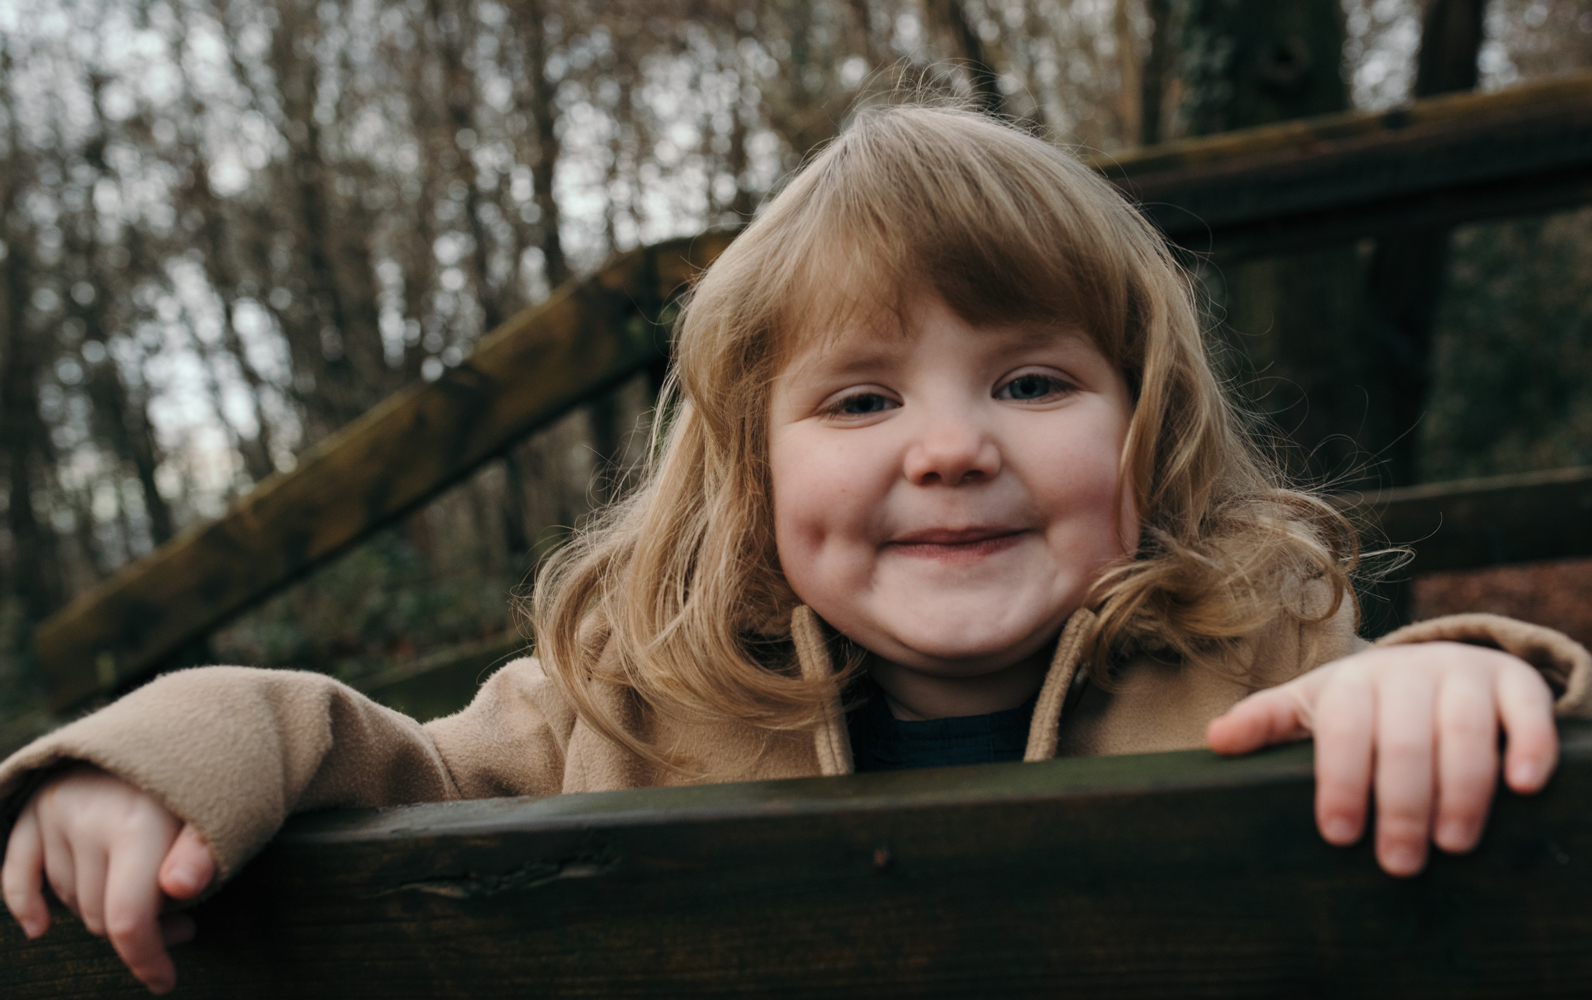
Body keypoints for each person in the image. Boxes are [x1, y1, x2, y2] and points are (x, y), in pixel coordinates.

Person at [3, 104, 1588, 995]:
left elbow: (1455, 725)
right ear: (753, 477)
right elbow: (388, 762)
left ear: (1149, 432)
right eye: (861, 397)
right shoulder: (622, 705)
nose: (952, 443)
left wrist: (1440, 686)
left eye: (1032, 382)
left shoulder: (1253, 659)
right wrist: (164, 755)